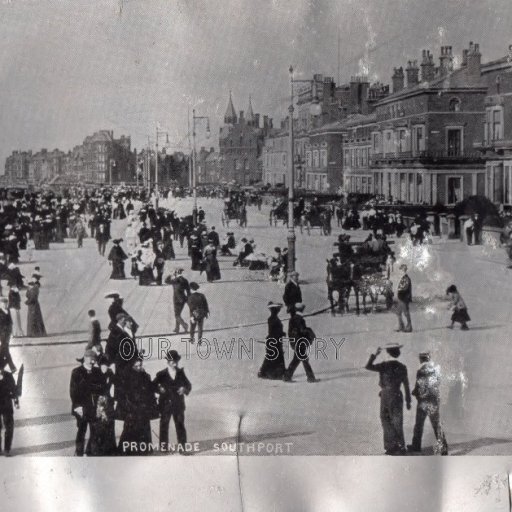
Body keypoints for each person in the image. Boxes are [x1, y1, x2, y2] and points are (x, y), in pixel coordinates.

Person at [366, 343, 411, 455]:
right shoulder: (402, 367)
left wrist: (375, 354)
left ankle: (390, 446)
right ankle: (400, 447)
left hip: (385, 395)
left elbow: (368, 366)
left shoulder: (384, 365)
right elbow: (406, 384)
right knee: (397, 421)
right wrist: (408, 400)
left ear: (388, 353)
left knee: (385, 420)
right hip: (397, 394)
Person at [408, 352, 448, 455]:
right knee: (436, 425)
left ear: (421, 359)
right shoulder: (435, 370)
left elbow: (419, 386)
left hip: (424, 402)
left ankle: (416, 446)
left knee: (419, 425)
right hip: (434, 401)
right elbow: (437, 383)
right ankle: (444, 448)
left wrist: (414, 392)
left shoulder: (420, 371)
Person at [118, 353, 158, 455]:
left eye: (140, 365)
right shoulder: (127, 378)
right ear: (132, 365)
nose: (139, 367)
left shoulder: (145, 376)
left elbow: (150, 389)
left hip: (143, 409)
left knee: (144, 430)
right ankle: (127, 451)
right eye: (136, 366)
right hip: (132, 409)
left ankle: (144, 450)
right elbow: (123, 394)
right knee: (130, 431)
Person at [153, 350, 192, 452]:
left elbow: (188, 385)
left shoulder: (180, 372)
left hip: (178, 405)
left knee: (180, 425)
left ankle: (182, 448)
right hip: (165, 405)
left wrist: (184, 389)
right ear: (168, 361)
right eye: (171, 360)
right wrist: (159, 389)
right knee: (164, 425)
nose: (174, 362)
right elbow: (152, 386)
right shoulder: (161, 374)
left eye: (175, 360)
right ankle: (163, 448)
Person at [69, 349, 104, 456]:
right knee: (81, 430)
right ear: (84, 358)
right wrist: (77, 406)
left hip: (95, 407)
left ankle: (92, 452)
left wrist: (101, 405)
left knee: (95, 431)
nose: (91, 361)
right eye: (89, 359)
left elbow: (103, 389)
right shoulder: (77, 372)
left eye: (93, 359)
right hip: (82, 407)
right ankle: (79, 451)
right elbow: (73, 391)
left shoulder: (97, 372)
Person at [283, 303, 318, 383]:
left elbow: (292, 333)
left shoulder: (293, 319)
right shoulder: (299, 319)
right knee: (304, 360)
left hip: (296, 342)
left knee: (297, 360)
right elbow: (302, 330)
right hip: (299, 343)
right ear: (302, 310)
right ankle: (310, 378)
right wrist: (309, 331)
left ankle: (287, 376)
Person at [258, 302, 286, 380]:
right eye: (278, 309)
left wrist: (281, 333)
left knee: (272, 356)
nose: (279, 310)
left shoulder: (273, 318)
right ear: (274, 310)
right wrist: (281, 334)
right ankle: (274, 373)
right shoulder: (273, 318)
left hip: (274, 340)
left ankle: (266, 372)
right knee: (273, 356)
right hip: (274, 340)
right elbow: (273, 331)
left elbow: (274, 330)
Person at [0, 360, 18, 456]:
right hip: (5, 404)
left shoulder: (8, 376)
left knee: (9, 427)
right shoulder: (8, 376)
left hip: (6, 404)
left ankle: (7, 449)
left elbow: (14, 390)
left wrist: (16, 401)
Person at [165, 269, 190, 334]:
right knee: (178, 313)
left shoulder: (175, 280)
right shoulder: (185, 280)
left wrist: (171, 275)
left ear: (176, 274)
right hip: (183, 299)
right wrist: (188, 299)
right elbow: (188, 291)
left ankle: (185, 325)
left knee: (177, 314)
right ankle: (177, 328)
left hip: (176, 299)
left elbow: (166, 281)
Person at [0, 298, 16, 373]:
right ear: (1, 304)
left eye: (6, 303)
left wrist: (12, 332)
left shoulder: (8, 310)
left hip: (8, 333)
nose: (5, 305)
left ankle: (2, 368)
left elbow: (10, 322)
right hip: (2, 333)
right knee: (5, 349)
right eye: (3, 303)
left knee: (4, 350)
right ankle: (11, 367)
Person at [395, 264, 412, 333]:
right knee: (398, 312)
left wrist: (398, 289)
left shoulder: (406, 278)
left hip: (404, 297)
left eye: (400, 270)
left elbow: (404, 288)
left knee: (406, 312)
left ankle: (409, 327)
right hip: (400, 297)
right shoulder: (402, 278)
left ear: (403, 270)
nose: (400, 271)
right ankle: (401, 326)